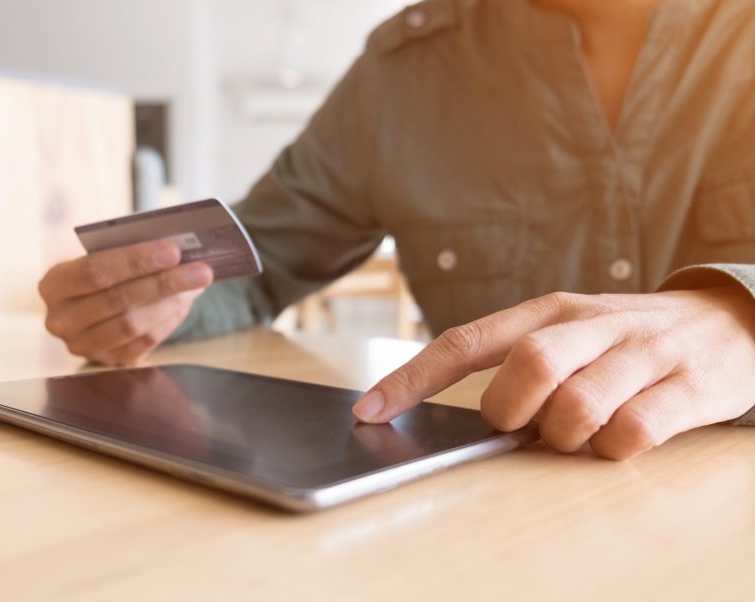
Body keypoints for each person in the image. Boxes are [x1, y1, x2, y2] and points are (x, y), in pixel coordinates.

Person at [38, 0, 755, 461]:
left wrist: (741, 316)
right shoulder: (398, 74)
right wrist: (159, 296)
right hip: (487, 533)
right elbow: (259, 262)